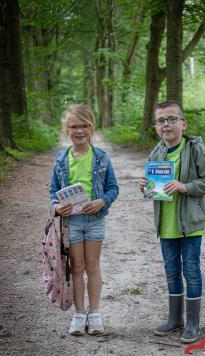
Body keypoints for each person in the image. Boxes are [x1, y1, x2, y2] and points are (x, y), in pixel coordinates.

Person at [139, 100, 205, 343]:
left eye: (172, 119)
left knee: (191, 271)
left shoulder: (194, 149)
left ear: (183, 124)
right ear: (155, 126)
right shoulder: (156, 152)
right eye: (161, 120)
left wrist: (185, 186)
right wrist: (145, 187)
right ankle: (175, 318)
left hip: (190, 224)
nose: (166, 124)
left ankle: (193, 323)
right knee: (172, 271)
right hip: (166, 225)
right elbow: (154, 192)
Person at [50, 104, 119, 336]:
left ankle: (95, 312)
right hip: (72, 223)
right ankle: (79, 314)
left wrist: (101, 202)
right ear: (67, 129)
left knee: (93, 266)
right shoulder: (61, 160)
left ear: (91, 127)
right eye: (74, 126)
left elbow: (113, 188)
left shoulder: (100, 157)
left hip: (95, 219)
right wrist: (57, 207)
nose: (79, 131)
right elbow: (53, 192)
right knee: (76, 267)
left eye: (84, 126)